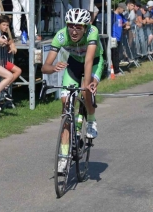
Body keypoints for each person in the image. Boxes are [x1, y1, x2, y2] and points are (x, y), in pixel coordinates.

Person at [41, 8, 103, 172]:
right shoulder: (61, 36)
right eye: (71, 26)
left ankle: (90, 119)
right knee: (65, 106)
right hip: (74, 63)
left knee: (85, 91)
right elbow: (44, 67)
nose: (74, 31)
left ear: (85, 27)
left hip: (95, 61)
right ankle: (63, 155)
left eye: (78, 27)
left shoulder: (92, 32)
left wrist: (88, 84)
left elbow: (89, 61)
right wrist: (53, 67)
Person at [0, 15, 22, 101]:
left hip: (3, 61)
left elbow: (10, 40)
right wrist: (9, 44)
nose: (5, 27)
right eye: (3, 25)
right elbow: (3, 41)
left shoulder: (4, 34)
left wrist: (12, 45)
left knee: (18, 70)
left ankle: (5, 88)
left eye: (7, 25)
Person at [111, 3, 129, 75]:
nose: (123, 11)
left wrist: (124, 25)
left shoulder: (121, 16)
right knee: (114, 55)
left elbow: (127, 23)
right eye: (123, 10)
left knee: (117, 54)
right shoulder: (112, 15)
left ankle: (116, 69)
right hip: (113, 37)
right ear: (119, 8)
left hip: (119, 38)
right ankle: (116, 71)